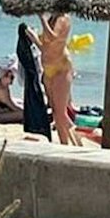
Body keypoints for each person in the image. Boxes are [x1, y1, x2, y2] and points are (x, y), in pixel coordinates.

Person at [35, 13, 83, 145]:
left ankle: (78, 143)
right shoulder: (51, 19)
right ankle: (64, 144)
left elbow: (53, 37)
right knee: (56, 112)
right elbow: (45, 47)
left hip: (61, 68)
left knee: (61, 113)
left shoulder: (64, 18)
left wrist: (42, 20)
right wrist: (34, 38)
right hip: (48, 68)